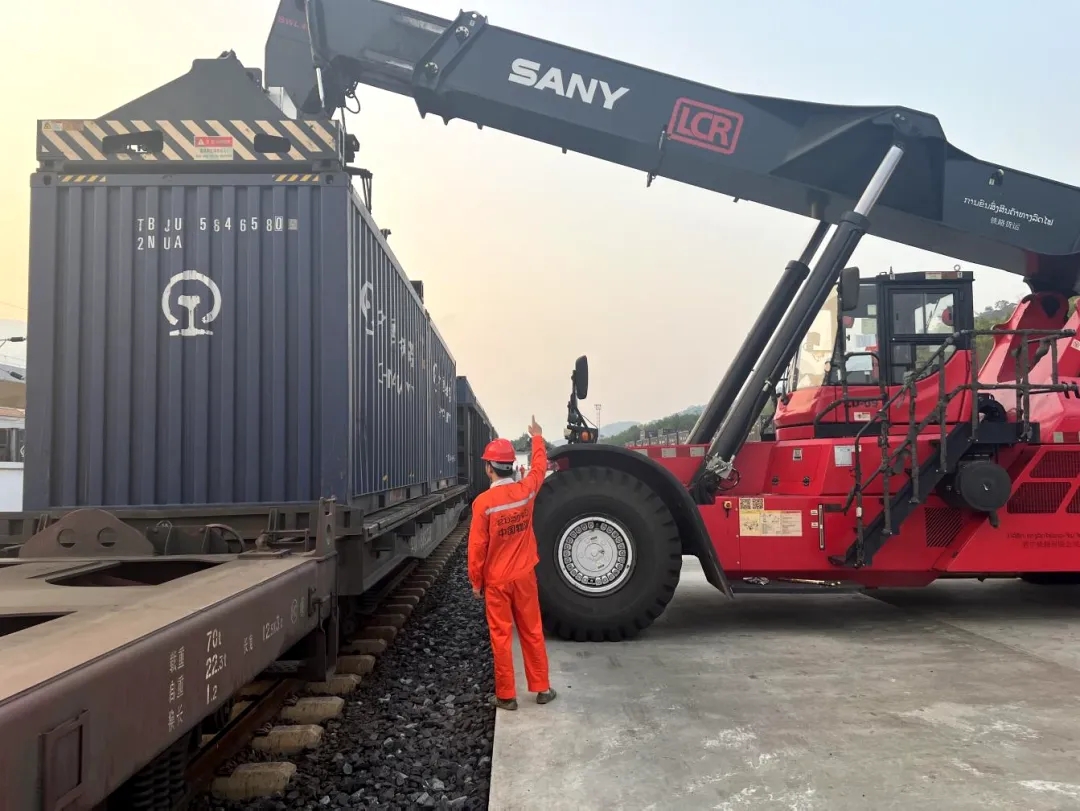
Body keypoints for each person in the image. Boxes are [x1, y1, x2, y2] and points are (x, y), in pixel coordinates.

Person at [468, 416, 557, 711]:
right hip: (524, 576)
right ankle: (542, 688)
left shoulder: (483, 504)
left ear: (489, 468)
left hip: (497, 582)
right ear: (510, 466)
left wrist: (476, 582)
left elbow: (477, 548)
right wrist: (537, 438)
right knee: (532, 630)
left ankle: (506, 695)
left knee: (501, 636)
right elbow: (539, 468)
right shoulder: (525, 492)